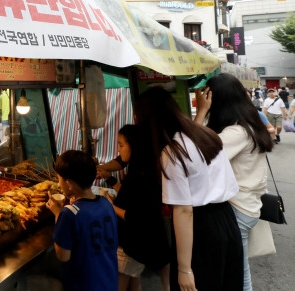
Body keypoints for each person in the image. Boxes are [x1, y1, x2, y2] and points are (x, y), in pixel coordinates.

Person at [134, 87, 243, 291]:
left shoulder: (173, 153)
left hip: (201, 231)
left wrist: (184, 269)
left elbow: (184, 211)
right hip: (227, 221)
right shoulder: (207, 135)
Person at [195, 74, 274, 291]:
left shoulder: (236, 133)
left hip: (237, 209)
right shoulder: (248, 125)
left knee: (237, 274)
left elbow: (194, 155)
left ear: (218, 100)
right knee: (238, 270)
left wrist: (201, 112)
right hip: (246, 206)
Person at [103, 125, 170, 291]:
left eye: (121, 145)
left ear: (133, 145)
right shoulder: (142, 168)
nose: (119, 150)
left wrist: (111, 207)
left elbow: (135, 215)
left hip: (133, 242)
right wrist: (109, 180)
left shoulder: (140, 175)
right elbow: (131, 196)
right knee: (134, 282)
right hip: (140, 241)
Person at [46, 149, 118, 291]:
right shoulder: (106, 203)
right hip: (108, 281)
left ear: (69, 183)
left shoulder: (68, 214)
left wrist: (57, 214)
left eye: (60, 180)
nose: (59, 185)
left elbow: (63, 256)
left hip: (84, 284)